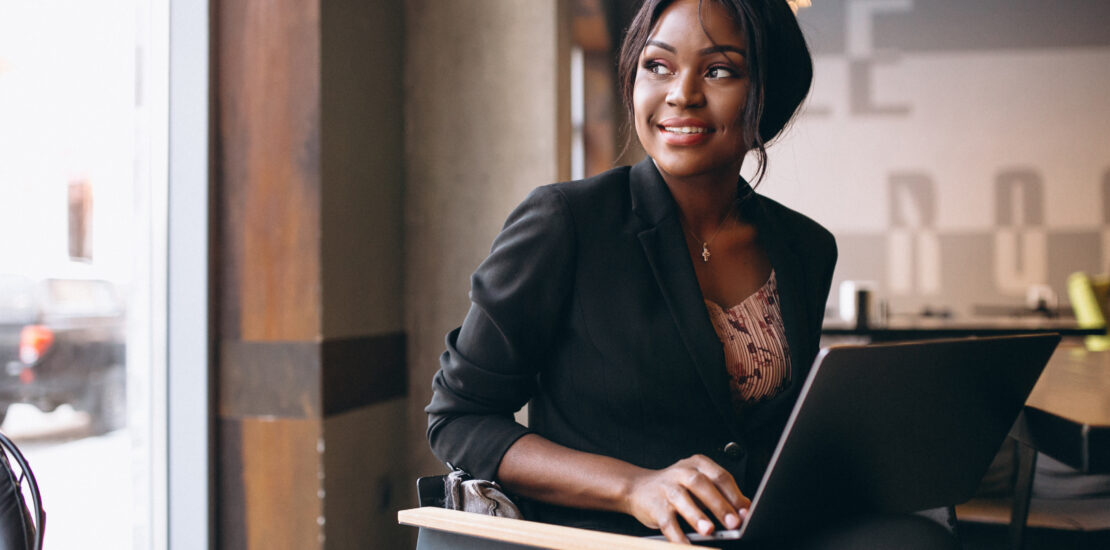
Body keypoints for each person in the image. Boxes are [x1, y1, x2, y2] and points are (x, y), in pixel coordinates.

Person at [426, 0, 955, 547]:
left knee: (918, 538)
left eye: (719, 69)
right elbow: (459, 419)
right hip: (610, 536)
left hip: (744, 530)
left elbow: (773, 431)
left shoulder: (805, 246)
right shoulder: (566, 223)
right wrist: (633, 487)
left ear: (766, 94)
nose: (681, 93)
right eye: (658, 66)